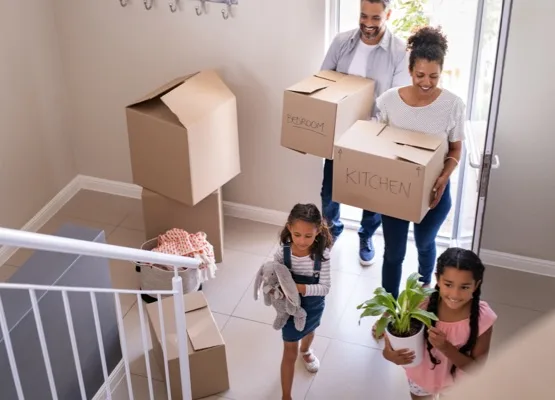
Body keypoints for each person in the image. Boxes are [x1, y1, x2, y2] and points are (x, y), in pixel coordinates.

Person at [374, 25, 466, 301]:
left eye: (434, 76)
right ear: (410, 70)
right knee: (393, 253)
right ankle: (388, 308)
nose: (426, 82)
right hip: (396, 192)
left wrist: (443, 177)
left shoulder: (453, 105)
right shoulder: (389, 100)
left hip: (435, 192)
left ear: (442, 73)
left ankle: (426, 289)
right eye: (420, 75)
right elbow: (378, 142)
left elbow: (456, 149)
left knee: (426, 244)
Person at [320, 0, 411, 266]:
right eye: (363, 16)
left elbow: (396, 100)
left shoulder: (400, 51)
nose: (368, 23)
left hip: (375, 134)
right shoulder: (341, 42)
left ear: (389, 15)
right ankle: (331, 231)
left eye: (375, 17)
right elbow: (323, 80)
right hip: (339, 133)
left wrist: (371, 127)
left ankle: (366, 235)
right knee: (330, 190)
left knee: (371, 193)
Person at [383, 247, 497, 399]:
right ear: (438, 279)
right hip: (420, 378)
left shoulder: (483, 318)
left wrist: (446, 348)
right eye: (448, 284)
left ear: (476, 285)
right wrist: (389, 354)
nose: (455, 294)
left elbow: (476, 368)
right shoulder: (419, 304)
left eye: (464, 287)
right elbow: (393, 340)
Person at [273, 203, 333, 400]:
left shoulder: (322, 255)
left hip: (314, 305)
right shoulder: (283, 252)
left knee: (310, 330)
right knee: (289, 351)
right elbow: (275, 275)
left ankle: (306, 350)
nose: (301, 241)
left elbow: (324, 288)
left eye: (308, 236)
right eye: (297, 234)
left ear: (318, 231)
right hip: (290, 308)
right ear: (289, 228)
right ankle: (286, 396)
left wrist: (298, 288)